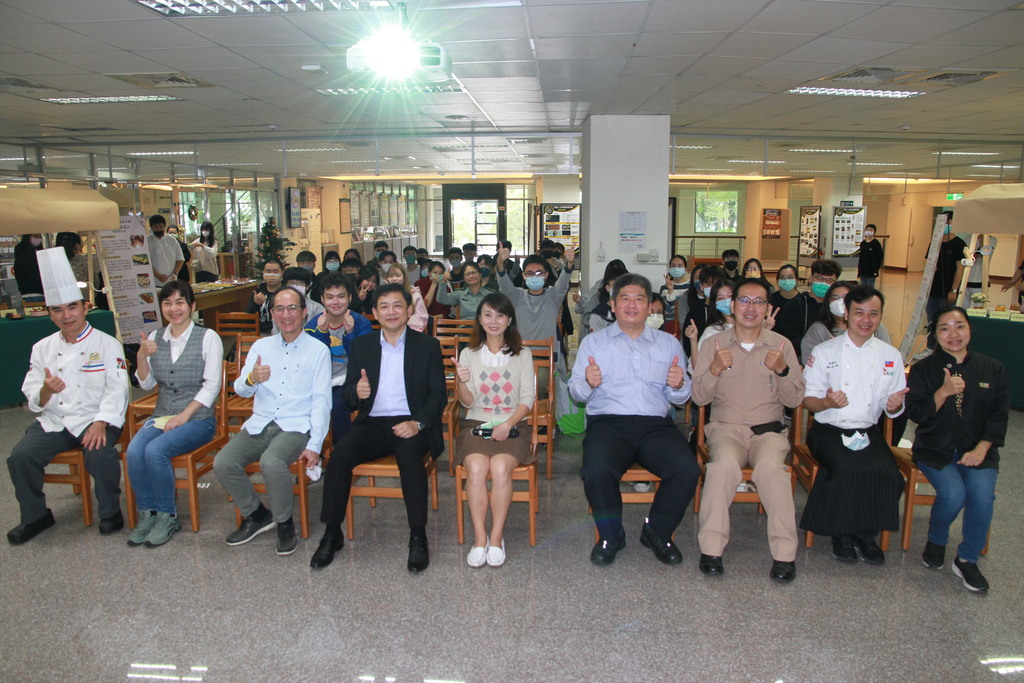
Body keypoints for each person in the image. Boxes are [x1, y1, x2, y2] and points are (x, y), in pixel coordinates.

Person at [311, 284, 447, 573]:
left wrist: (417, 423)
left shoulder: (427, 346)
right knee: (339, 456)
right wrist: (356, 392)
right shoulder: (363, 346)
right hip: (373, 422)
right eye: (384, 306)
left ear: (409, 310)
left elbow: (438, 395)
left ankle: (418, 536)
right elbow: (348, 394)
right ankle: (332, 533)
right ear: (374, 312)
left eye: (398, 305)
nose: (391, 312)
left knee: (410, 458)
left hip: (412, 422)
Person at [569, 273, 700, 567]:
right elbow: (577, 393)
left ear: (650, 305)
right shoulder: (594, 344)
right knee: (595, 470)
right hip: (608, 423)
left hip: (656, 424)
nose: (632, 305)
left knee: (687, 470)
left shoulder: (668, 344)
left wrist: (679, 386)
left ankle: (657, 531)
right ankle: (611, 535)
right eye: (624, 299)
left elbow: (680, 399)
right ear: (613, 305)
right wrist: (588, 383)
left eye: (639, 299)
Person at [7, 249, 130, 545]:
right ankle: (36, 515)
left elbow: (118, 389)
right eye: (58, 310)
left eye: (72, 307)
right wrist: (47, 390)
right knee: (20, 457)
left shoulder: (107, 344)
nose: (66, 316)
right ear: (50, 314)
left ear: (84, 307)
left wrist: (101, 423)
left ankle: (111, 512)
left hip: (95, 417)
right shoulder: (42, 348)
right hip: (56, 420)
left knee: (99, 454)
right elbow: (32, 394)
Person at [691, 278, 804, 582]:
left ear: (768, 308)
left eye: (758, 302)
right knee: (723, 466)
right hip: (726, 429)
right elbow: (699, 398)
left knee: (770, 470)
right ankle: (711, 549)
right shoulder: (713, 344)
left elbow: (795, 399)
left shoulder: (782, 345)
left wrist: (782, 370)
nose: (750, 308)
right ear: (732, 305)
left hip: (768, 432)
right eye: (744, 300)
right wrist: (714, 369)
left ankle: (784, 555)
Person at [213, 286, 331, 556]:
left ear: (303, 313)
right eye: (279, 308)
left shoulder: (317, 350)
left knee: (272, 461)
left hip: (296, 425)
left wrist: (314, 445)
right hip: (261, 422)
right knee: (223, 462)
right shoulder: (260, 346)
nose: (285, 314)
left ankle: (284, 521)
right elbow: (241, 389)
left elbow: (322, 401)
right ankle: (256, 514)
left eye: (292, 308)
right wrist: (252, 378)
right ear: (272, 312)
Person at [799, 285, 908, 565]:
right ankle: (842, 533)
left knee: (890, 475)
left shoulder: (890, 356)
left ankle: (866, 534)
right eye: (859, 312)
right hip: (829, 430)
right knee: (848, 469)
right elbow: (808, 401)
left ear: (880, 317)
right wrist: (828, 403)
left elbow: (893, 403)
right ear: (846, 314)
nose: (866, 320)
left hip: (867, 431)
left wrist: (894, 406)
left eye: (873, 313)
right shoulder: (825, 351)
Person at [906, 306, 1008, 592]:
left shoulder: (992, 369)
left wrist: (982, 448)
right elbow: (917, 414)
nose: (954, 334)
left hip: (979, 449)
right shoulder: (924, 369)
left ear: (970, 330)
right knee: (953, 494)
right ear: (935, 335)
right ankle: (937, 540)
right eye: (944, 328)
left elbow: (999, 417)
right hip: (935, 449)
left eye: (960, 326)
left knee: (982, 496)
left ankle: (967, 558)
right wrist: (943, 392)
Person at [126, 281, 223, 547]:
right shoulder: (156, 338)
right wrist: (141, 358)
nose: (174, 308)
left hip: (198, 419)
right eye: (167, 303)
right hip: (162, 415)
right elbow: (146, 384)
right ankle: (148, 513)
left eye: (180, 302)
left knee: (155, 451)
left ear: (192, 306)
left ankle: (167, 515)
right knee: (134, 451)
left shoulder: (208, 337)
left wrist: (183, 416)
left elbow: (212, 385)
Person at [452, 293, 535, 567]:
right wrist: (462, 382)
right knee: (476, 469)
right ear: (479, 318)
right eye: (487, 314)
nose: (494, 321)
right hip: (476, 422)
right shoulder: (468, 353)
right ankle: (479, 538)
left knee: (500, 468)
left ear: (509, 319)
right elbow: (467, 402)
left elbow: (527, 398)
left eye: (500, 315)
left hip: (514, 425)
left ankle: (497, 538)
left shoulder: (523, 353)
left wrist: (508, 424)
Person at [303, 271, 373, 443]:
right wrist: (322, 333)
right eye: (330, 297)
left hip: (351, 381)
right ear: (322, 299)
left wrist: (350, 334)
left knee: (337, 405)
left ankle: (342, 450)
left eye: (341, 296)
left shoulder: (361, 323)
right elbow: (313, 361)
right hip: (321, 381)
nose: (335, 302)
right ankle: (313, 453)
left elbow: (364, 359)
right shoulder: (313, 326)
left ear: (350, 297)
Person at [496, 244, 574, 360]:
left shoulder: (553, 295)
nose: (534, 276)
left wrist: (570, 263)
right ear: (523, 276)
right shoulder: (517, 295)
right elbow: (504, 283)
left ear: (546, 275)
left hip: (547, 356)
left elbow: (563, 282)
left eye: (539, 273)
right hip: (519, 356)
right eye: (529, 273)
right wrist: (500, 263)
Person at [800, 281, 891, 362]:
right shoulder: (819, 330)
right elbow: (809, 361)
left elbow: (886, 357)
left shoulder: (873, 327)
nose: (840, 302)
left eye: (845, 297)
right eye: (835, 298)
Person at [775, 258, 842, 364]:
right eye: (819, 278)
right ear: (810, 278)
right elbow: (791, 337)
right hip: (803, 359)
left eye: (829, 280)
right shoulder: (796, 304)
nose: (823, 283)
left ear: (835, 283)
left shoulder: (836, 307)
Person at [925, 212, 967, 350]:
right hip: (932, 289)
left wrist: (953, 290)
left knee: (946, 321)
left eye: (948, 222)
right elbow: (928, 264)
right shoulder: (935, 242)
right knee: (932, 320)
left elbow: (959, 269)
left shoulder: (959, 244)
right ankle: (930, 348)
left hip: (947, 291)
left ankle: (945, 349)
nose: (946, 225)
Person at [575, 260, 628, 342]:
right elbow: (586, 317)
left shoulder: (634, 307)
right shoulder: (599, 308)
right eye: (615, 285)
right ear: (608, 287)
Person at [384, 259, 430, 332]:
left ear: (404, 277)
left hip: (412, 332)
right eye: (391, 276)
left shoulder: (414, 294)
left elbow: (421, 317)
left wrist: (404, 330)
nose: (394, 279)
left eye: (398, 275)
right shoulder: (384, 296)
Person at [273, 267, 324, 333]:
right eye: (292, 283)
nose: (295, 286)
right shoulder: (279, 307)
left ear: (307, 286)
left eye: (300, 283)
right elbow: (276, 332)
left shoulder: (317, 308)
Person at [248, 258, 284, 335]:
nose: (271, 275)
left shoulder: (287, 293)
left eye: (275, 272)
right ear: (263, 274)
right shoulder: (257, 293)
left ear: (282, 273)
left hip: (283, 332)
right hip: (261, 333)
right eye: (268, 272)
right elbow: (248, 320)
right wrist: (256, 304)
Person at [147, 215, 184, 287]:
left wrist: (175, 273)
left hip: (172, 282)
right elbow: (145, 263)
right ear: (151, 227)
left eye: (161, 227)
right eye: (155, 227)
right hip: (154, 283)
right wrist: (158, 276)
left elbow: (180, 259)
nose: (158, 229)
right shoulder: (147, 241)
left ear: (165, 226)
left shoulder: (172, 240)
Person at [659, 254, 690, 326]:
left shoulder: (691, 287)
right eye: (673, 265)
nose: (676, 268)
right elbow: (668, 310)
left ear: (685, 268)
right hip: (668, 325)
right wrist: (670, 290)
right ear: (669, 268)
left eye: (679, 266)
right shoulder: (664, 288)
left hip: (686, 324)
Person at [857, 224, 884, 288]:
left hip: (871, 270)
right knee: (863, 287)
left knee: (870, 287)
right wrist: (859, 270)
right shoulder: (863, 243)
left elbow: (880, 256)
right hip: (863, 269)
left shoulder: (876, 243)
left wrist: (876, 268)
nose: (869, 231)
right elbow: (861, 257)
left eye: (871, 230)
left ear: (874, 232)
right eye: (867, 229)